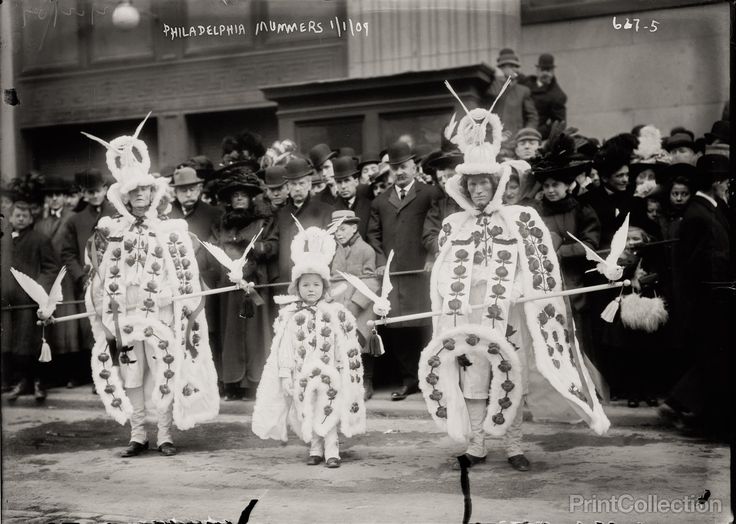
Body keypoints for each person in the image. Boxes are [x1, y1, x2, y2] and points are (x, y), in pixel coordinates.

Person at [418, 105, 609, 473]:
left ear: (496, 185)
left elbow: (537, 267)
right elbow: (442, 274)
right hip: (469, 313)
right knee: (473, 377)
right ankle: (476, 445)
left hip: (509, 312)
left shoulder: (521, 219)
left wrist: (517, 290)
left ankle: (515, 445)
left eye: (483, 183)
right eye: (471, 184)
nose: (477, 190)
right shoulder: (454, 225)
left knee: (512, 375)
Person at [79, 123, 219, 457]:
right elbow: (99, 279)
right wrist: (104, 314)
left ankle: (165, 434)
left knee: (164, 370)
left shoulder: (170, 232)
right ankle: (138, 434)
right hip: (126, 318)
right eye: (133, 192)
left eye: (145, 191)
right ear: (124, 197)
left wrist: (177, 303)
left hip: (161, 316)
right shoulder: (111, 234)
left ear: (154, 194)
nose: (140, 197)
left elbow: (187, 275)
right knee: (132, 375)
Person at [252, 224, 366, 468]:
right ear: (297, 288)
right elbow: (285, 348)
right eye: (305, 285)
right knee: (307, 408)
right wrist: (285, 374)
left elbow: (341, 344)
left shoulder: (335, 313)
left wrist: (340, 367)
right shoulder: (290, 316)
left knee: (329, 406)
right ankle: (315, 447)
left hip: (329, 371)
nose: (311, 289)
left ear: (324, 288)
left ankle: (332, 449)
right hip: (301, 371)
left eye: (316, 285)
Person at [659, 154, 731, 438]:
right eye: (726, 181)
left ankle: (687, 408)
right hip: (709, 301)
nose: (727, 186)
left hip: (717, 297)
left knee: (715, 360)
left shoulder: (710, 208)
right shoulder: (697, 214)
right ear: (715, 182)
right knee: (714, 359)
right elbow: (694, 264)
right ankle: (690, 411)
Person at [367, 141, 442, 401]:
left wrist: (433, 257)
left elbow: (437, 228)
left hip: (421, 272)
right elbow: (373, 235)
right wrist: (379, 262)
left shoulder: (430, 194)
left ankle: (431, 378)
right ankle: (410, 380)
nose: (400, 172)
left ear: (414, 167)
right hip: (394, 276)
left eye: (405, 166)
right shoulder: (380, 201)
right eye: (395, 167)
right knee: (398, 328)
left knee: (423, 325)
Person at [201, 172, 277, 401]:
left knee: (256, 336)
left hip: (255, 285)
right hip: (230, 289)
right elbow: (211, 250)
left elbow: (272, 245)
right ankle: (233, 383)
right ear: (229, 200)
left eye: (244, 195)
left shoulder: (262, 223)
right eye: (235, 195)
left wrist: (255, 250)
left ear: (252, 198)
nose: (240, 199)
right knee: (231, 334)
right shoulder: (220, 225)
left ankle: (255, 382)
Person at [1, 199, 59, 401]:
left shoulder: (40, 240)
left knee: (31, 343)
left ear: (31, 218)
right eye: (17, 215)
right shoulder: (4, 240)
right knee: (12, 344)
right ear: (10, 217)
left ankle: (38, 383)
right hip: (8, 304)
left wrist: (37, 289)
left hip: (30, 302)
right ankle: (20, 381)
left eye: (25, 216)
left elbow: (51, 268)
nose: (21, 219)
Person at [35, 176, 84, 388]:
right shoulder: (40, 223)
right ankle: (56, 374)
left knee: (70, 325)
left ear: (65, 197)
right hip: (48, 277)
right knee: (52, 326)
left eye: (58, 195)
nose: (55, 199)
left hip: (66, 278)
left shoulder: (72, 218)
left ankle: (76, 373)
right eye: (50, 196)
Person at [329, 210, 380, 400]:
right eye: (336, 231)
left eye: (342, 229)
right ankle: (342, 381)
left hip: (361, 305)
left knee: (362, 342)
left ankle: (366, 382)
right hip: (337, 302)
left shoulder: (366, 250)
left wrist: (355, 304)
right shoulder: (332, 251)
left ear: (354, 228)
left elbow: (372, 281)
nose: (339, 234)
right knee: (338, 342)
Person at [272, 157, 334, 284]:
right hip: (286, 282)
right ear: (288, 187)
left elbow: (330, 250)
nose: (298, 188)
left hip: (313, 281)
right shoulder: (281, 214)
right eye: (293, 184)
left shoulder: (325, 211)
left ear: (310, 184)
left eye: (302, 183)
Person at [486, 48, 539, 139]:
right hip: (494, 141)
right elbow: (492, 98)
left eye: (517, 66)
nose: (517, 70)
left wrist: (526, 134)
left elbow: (532, 117)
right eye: (512, 66)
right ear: (501, 68)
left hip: (515, 140)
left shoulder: (523, 91)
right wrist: (499, 79)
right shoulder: (491, 87)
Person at [168, 166, 223, 241]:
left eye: (192, 189)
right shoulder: (167, 211)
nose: (188, 194)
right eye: (184, 190)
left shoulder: (213, 214)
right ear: (175, 192)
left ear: (198, 190)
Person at [521, 54, 567, 140]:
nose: (545, 73)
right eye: (543, 69)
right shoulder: (526, 82)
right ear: (537, 70)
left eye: (548, 70)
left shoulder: (557, 95)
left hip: (533, 136)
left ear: (553, 71)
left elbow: (559, 124)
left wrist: (536, 132)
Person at [333, 156, 374, 241]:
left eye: (347, 180)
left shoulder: (369, 206)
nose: (343, 186)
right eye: (339, 182)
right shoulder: (332, 209)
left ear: (356, 181)